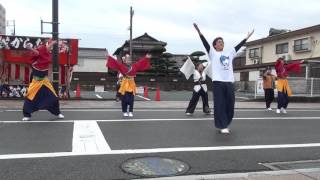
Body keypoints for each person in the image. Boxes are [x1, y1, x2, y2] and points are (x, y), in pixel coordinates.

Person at [193, 23, 254, 134]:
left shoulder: (229, 53)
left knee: (230, 104)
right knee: (220, 104)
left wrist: (247, 37)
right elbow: (205, 43)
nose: (222, 43)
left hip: (229, 82)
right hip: (218, 82)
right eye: (219, 42)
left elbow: (238, 46)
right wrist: (199, 32)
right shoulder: (213, 53)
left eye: (222, 42)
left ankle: (226, 122)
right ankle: (222, 125)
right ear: (215, 45)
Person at [22, 40, 64, 121]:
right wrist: (30, 48)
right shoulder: (38, 55)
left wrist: (54, 43)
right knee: (29, 97)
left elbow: (46, 49)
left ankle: (58, 112)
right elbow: (37, 53)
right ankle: (27, 115)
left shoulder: (46, 55)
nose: (50, 48)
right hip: (36, 81)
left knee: (54, 97)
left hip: (45, 81)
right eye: (49, 46)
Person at [107, 53, 151, 117]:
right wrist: (110, 56)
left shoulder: (134, 66)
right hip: (125, 84)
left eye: (130, 60)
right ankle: (124, 111)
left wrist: (146, 58)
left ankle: (130, 111)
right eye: (127, 60)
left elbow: (140, 62)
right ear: (125, 61)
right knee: (125, 99)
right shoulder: (122, 66)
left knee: (131, 99)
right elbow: (116, 63)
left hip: (132, 84)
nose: (129, 61)